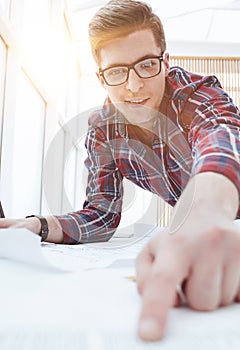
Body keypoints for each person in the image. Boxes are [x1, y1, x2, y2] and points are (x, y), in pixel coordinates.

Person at [0, 0, 240, 342]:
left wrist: (206, 215)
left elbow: (222, 139)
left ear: (165, 61)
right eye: (117, 72)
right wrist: (38, 225)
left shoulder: (195, 96)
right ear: (102, 77)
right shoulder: (103, 131)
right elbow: (100, 215)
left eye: (146, 65)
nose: (133, 86)